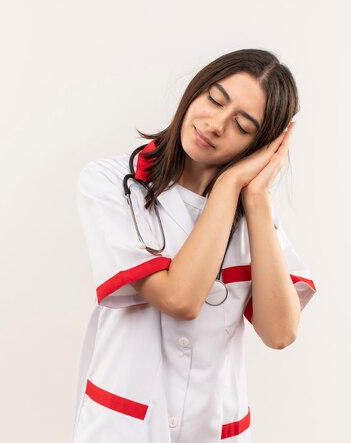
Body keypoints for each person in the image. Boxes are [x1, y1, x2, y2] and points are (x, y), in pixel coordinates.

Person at [73, 48, 317, 443]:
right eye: (215, 99)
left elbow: (280, 332)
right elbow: (180, 299)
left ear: (262, 146)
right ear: (196, 90)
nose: (215, 124)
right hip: (126, 429)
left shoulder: (254, 215)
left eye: (243, 125)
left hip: (216, 427)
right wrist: (226, 187)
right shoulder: (110, 183)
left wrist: (253, 198)